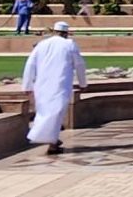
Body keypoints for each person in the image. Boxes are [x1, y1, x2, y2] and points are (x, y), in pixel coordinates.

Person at [21, 21, 88, 155]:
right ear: (65, 33)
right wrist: (83, 84)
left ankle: (52, 140)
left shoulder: (42, 44)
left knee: (46, 112)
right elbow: (79, 65)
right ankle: (51, 143)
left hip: (42, 84)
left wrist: (27, 85)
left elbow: (30, 65)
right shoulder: (69, 44)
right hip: (60, 84)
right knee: (55, 114)